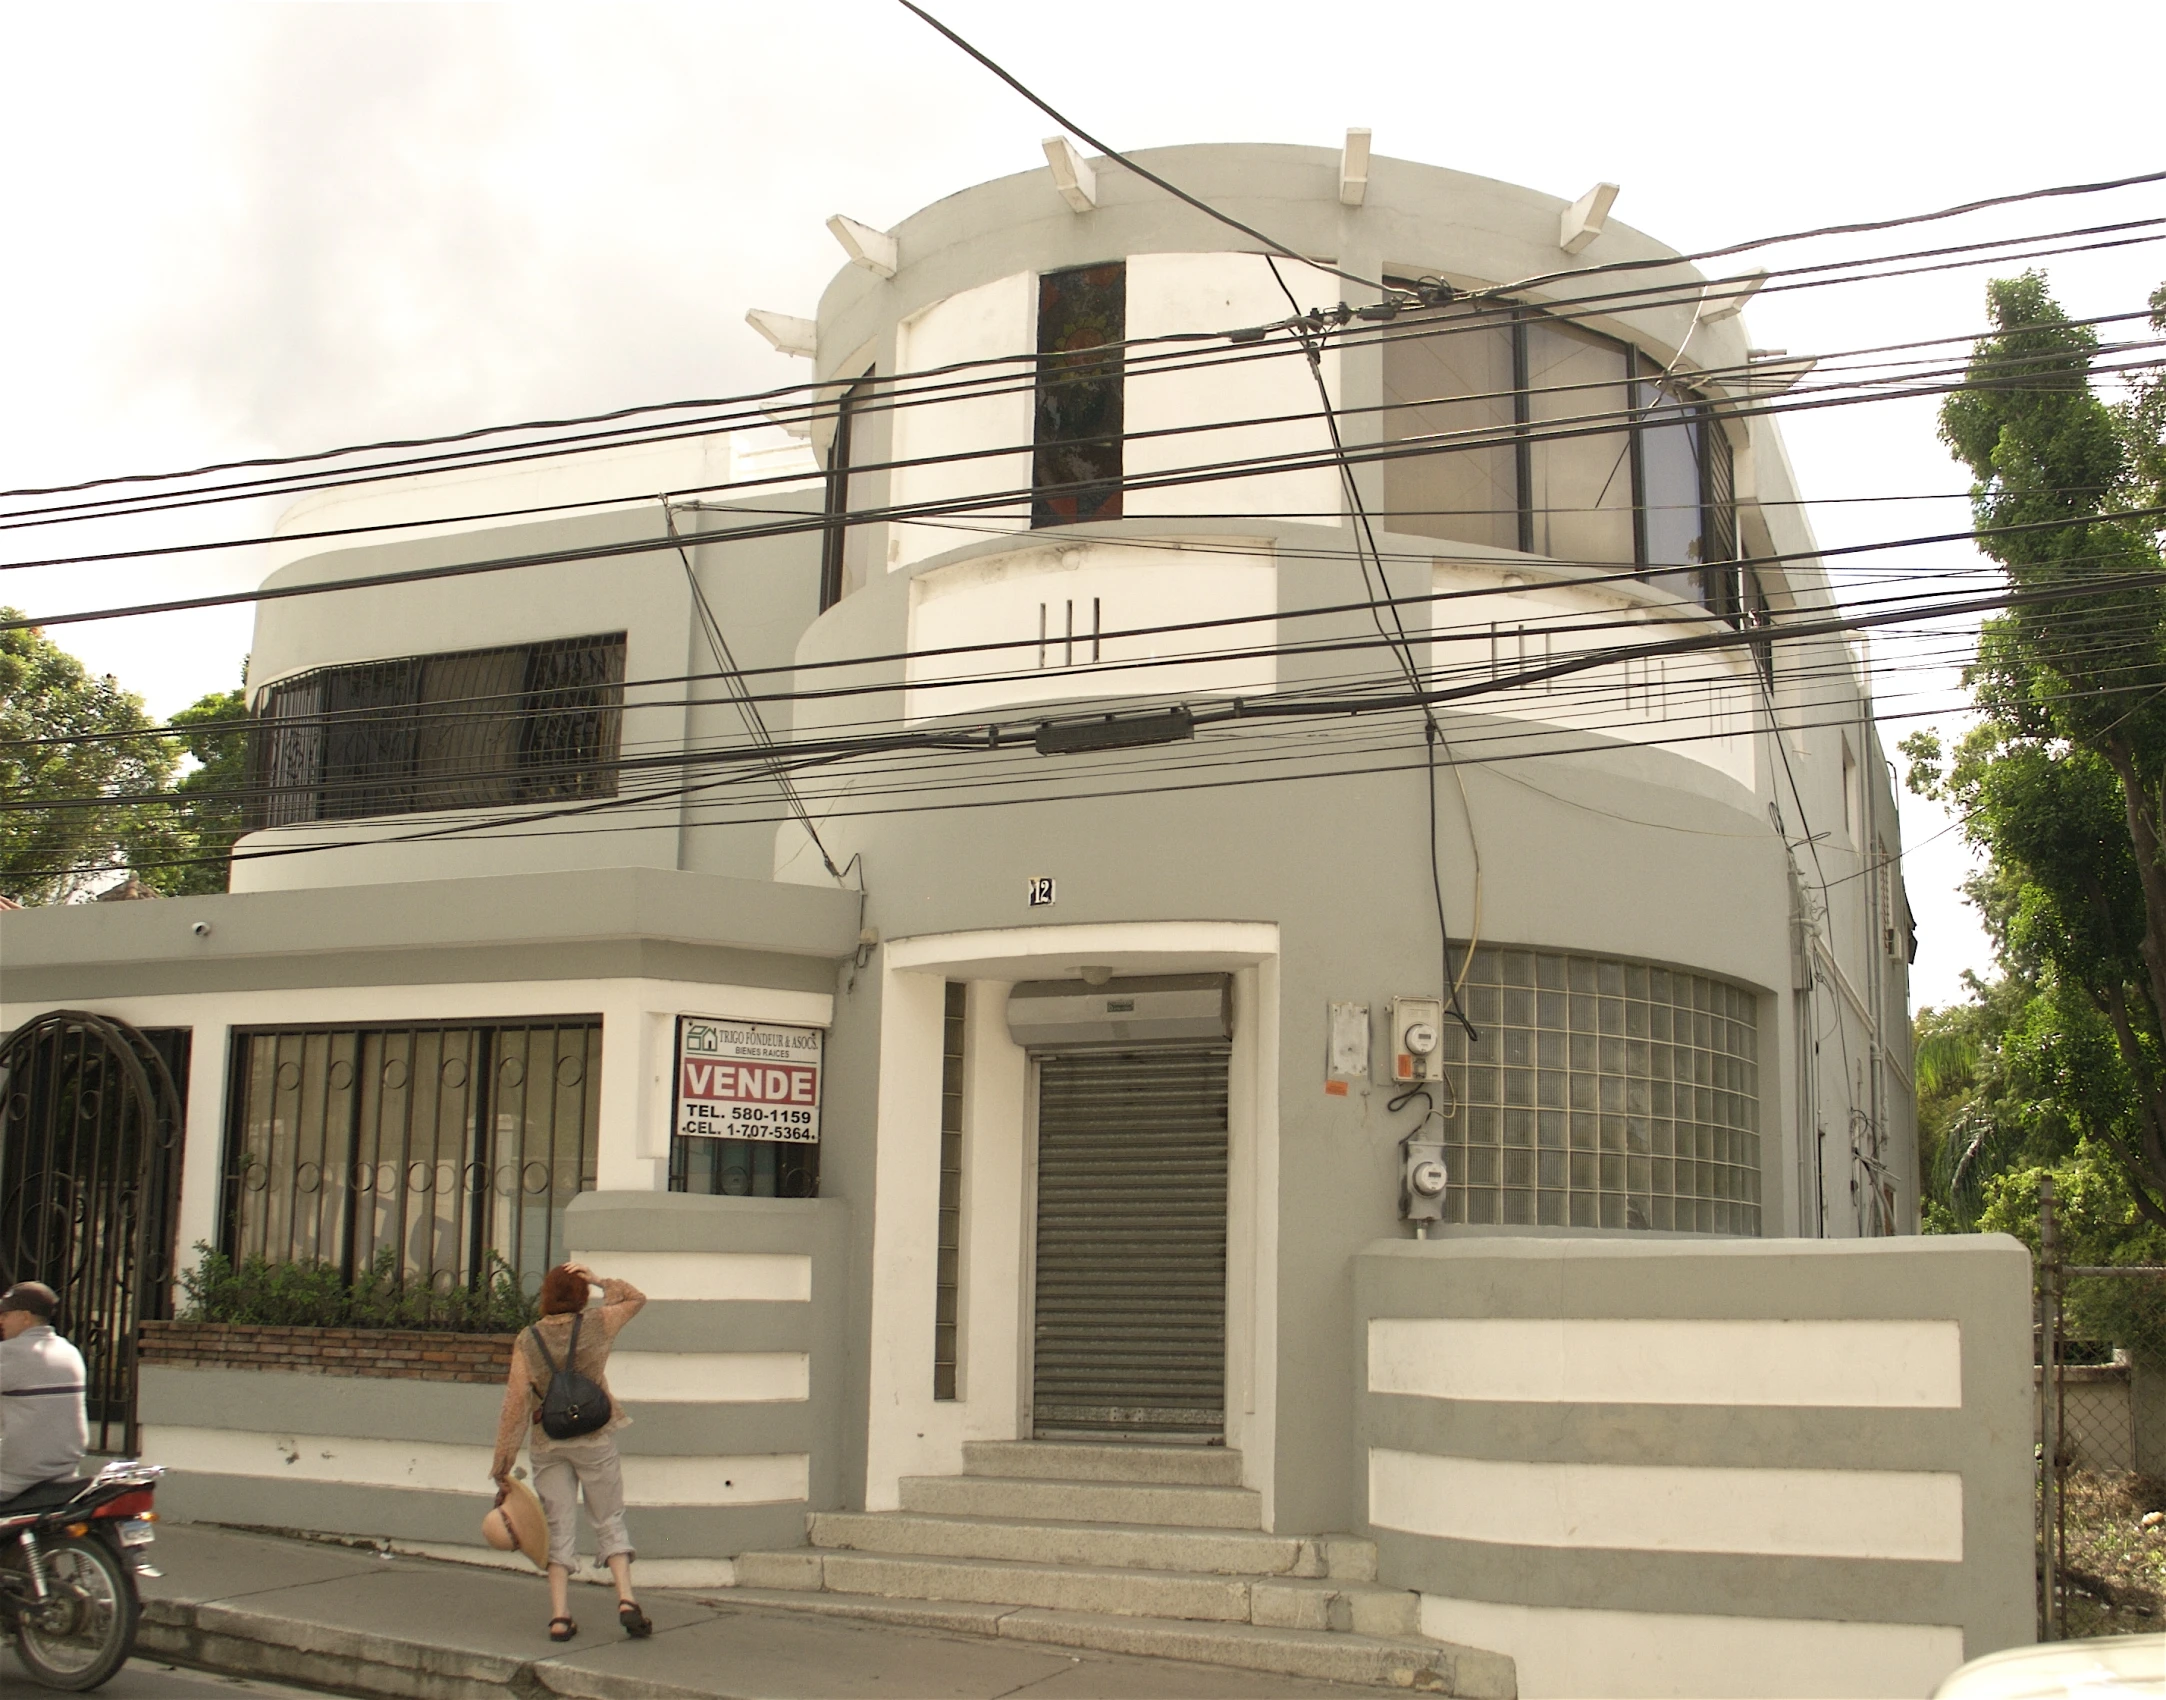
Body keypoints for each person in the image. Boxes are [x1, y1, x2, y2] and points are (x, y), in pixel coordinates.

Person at [490, 1262, 649, 1643]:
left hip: (549, 1441)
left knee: (557, 1527)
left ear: (545, 1295)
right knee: (609, 1517)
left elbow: (515, 1406)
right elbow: (635, 1298)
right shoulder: (598, 1324)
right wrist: (598, 1280)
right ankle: (626, 1600)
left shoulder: (527, 1340)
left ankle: (560, 1617)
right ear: (580, 1297)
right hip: (594, 1438)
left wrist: (503, 1467)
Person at [0, 1281, 88, 1510]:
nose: (1, 1321)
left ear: (26, 1317)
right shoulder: (69, 1351)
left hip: (21, 1473)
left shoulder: (13, 1353)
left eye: (6, 1314)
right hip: (64, 1467)